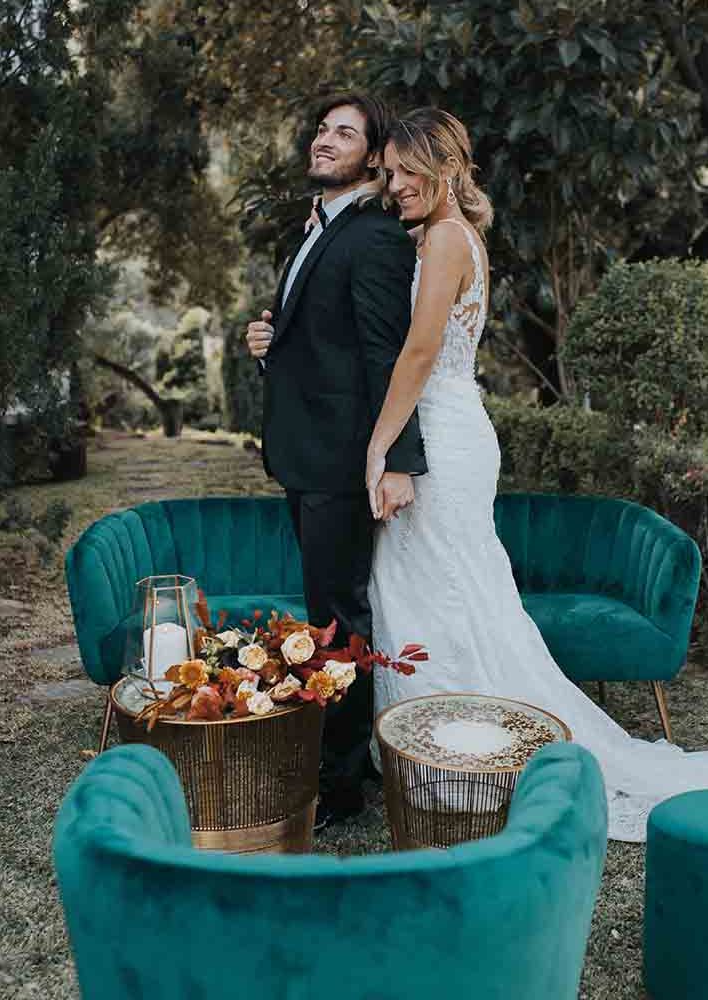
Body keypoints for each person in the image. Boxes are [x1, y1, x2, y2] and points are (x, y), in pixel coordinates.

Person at [365, 107, 708, 842]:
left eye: (407, 171)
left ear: (446, 167)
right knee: (444, 593)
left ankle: (468, 755)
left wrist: (380, 446)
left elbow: (419, 353)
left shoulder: (446, 238)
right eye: (388, 173)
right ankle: (448, 751)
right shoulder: (451, 235)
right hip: (455, 427)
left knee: (441, 595)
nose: (395, 185)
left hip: (442, 437)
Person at [245, 92, 427, 830]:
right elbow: (326, 344)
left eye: (344, 134)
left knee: (338, 622)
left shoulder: (376, 237)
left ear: (374, 156)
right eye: (322, 129)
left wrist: (397, 461)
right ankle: (342, 764)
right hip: (305, 454)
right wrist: (269, 345)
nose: (324, 140)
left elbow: (389, 355)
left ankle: (341, 785)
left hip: (342, 460)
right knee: (328, 615)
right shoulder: (318, 227)